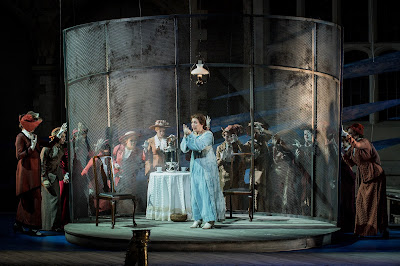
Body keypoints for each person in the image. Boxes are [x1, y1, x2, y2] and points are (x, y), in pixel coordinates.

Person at [342, 123, 389, 238]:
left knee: (374, 202)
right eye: (347, 132)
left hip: (374, 174)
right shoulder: (353, 147)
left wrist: (345, 135)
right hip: (364, 176)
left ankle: (378, 229)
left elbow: (357, 144)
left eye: (350, 132)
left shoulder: (364, 142)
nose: (348, 134)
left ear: (356, 133)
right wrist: (343, 152)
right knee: (360, 202)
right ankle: (361, 230)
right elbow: (350, 163)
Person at [180, 114, 226, 229]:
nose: (193, 125)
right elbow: (184, 148)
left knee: (206, 192)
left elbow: (198, 146)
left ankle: (210, 219)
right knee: (195, 192)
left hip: (206, 167)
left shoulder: (208, 135)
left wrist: (190, 135)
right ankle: (198, 218)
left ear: (202, 124)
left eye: (195, 122)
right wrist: (186, 136)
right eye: (192, 123)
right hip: (196, 166)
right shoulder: (193, 135)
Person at [40, 125, 69, 231]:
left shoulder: (60, 148)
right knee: (49, 202)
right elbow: (42, 164)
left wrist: (63, 176)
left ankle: (56, 225)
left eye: (64, 136)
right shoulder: (47, 148)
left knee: (56, 201)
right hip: (48, 177)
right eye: (62, 137)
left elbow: (59, 164)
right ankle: (48, 226)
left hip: (55, 177)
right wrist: (44, 179)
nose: (64, 139)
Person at [216, 124, 246, 210]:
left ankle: (235, 212)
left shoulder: (236, 146)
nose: (228, 138)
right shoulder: (220, 148)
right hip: (224, 176)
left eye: (230, 136)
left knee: (235, 198)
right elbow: (217, 164)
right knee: (225, 197)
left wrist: (237, 141)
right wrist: (222, 159)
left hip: (235, 175)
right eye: (226, 136)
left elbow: (244, 152)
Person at [113, 131, 143, 213]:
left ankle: (129, 213)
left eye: (135, 141)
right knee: (119, 194)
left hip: (130, 178)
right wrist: (115, 164)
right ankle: (120, 212)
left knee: (129, 195)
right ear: (126, 141)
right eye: (131, 141)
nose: (134, 143)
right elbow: (112, 159)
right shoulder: (118, 148)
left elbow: (142, 161)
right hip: (118, 177)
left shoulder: (137, 151)